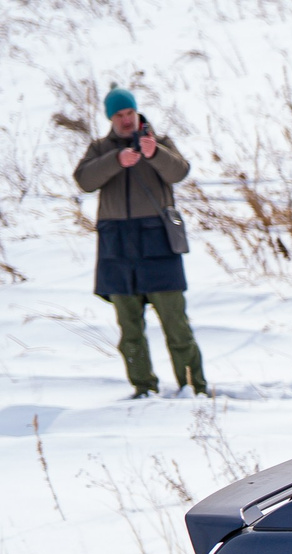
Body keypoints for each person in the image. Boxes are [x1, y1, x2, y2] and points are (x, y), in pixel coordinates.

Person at [73, 88, 206, 398]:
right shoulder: (99, 149)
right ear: (110, 118)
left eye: (129, 113)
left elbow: (180, 171)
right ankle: (143, 388)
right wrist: (116, 160)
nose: (126, 119)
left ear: (137, 112)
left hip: (157, 241)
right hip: (116, 245)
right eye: (119, 115)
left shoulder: (159, 143)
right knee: (130, 330)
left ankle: (195, 389)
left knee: (177, 325)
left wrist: (154, 154)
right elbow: (84, 181)